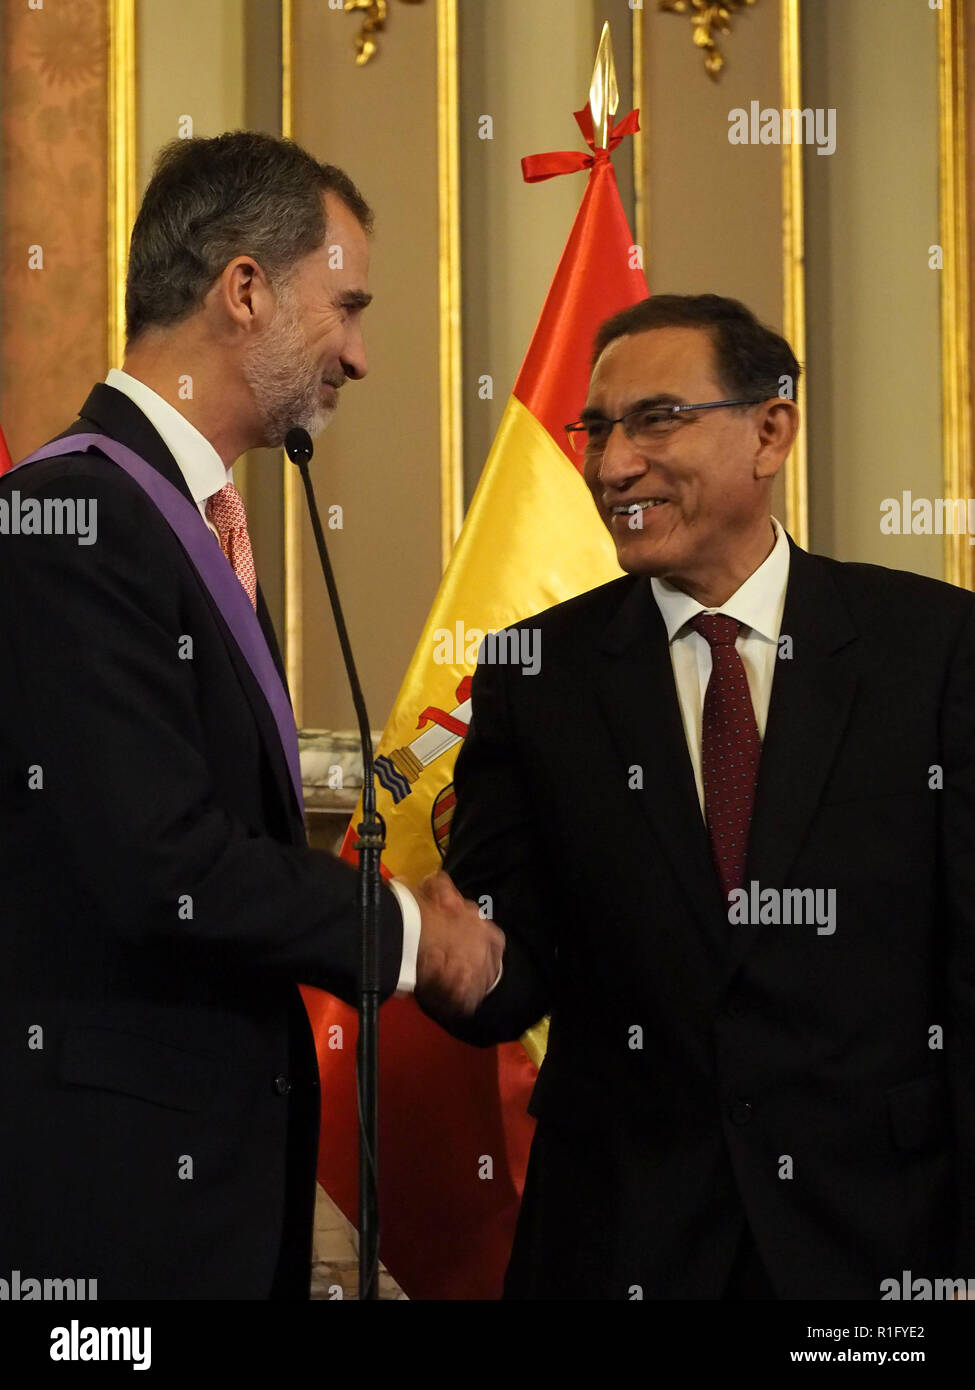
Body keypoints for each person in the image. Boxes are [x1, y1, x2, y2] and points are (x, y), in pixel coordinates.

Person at [0, 131, 502, 1300]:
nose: (361, 357)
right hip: (111, 1215)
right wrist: (414, 936)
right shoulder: (70, 518)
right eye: (348, 306)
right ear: (245, 289)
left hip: (209, 1197)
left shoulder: (188, 512)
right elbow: (156, 857)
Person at [429, 293, 975, 1300]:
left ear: (772, 428)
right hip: (621, 1238)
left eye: (656, 419)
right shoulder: (535, 675)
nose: (612, 464)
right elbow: (512, 963)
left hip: (876, 1240)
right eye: (597, 429)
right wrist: (445, 954)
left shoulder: (933, 651)